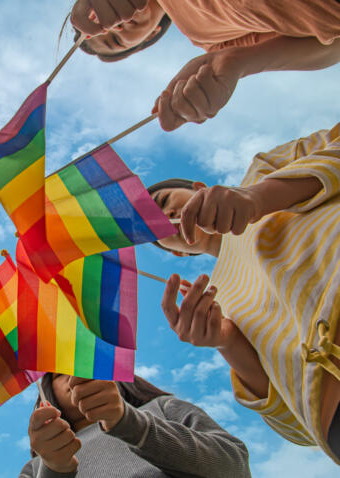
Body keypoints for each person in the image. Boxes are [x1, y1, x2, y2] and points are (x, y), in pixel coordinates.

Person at [148, 123, 340, 462]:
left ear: (199, 188)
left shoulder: (261, 172)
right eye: (153, 227)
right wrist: (226, 341)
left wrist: (258, 197)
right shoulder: (215, 304)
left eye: (163, 202)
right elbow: (293, 425)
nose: (164, 217)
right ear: (178, 252)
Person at [69, 0, 340, 131]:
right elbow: (332, 47)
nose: (111, 27)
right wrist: (240, 62)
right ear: (148, 37)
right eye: (116, 40)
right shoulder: (214, 44)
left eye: (97, 23)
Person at [19, 373, 251, 477]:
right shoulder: (38, 466)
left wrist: (129, 423)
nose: (74, 375)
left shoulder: (161, 408)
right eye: (60, 374)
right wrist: (54, 471)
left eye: (84, 363)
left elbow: (233, 467)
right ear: (48, 393)